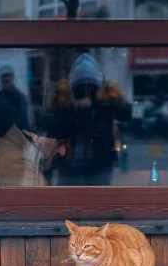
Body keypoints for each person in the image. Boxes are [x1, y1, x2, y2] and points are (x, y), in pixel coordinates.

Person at [48, 53, 132, 186]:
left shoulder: (106, 99)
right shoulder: (64, 99)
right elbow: (54, 126)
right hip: (73, 161)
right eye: (81, 88)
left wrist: (107, 102)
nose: (86, 92)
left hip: (99, 160)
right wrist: (73, 110)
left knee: (98, 199)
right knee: (70, 200)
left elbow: (126, 114)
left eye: (90, 88)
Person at [0, 110, 72, 187]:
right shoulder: (16, 161)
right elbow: (40, 208)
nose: (62, 152)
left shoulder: (8, 149)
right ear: (37, 135)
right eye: (60, 142)